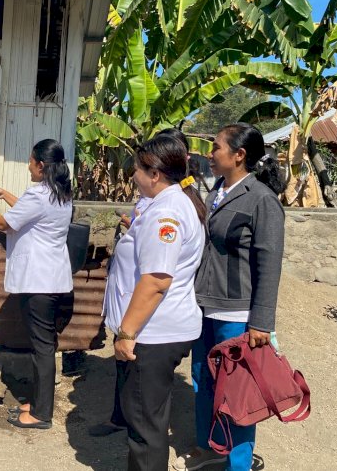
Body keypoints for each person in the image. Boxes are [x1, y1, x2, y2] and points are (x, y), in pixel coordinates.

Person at [173, 123, 286, 471]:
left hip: (237, 312)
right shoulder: (217, 190)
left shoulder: (261, 200)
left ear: (239, 155)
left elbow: (269, 264)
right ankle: (212, 447)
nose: (210, 153)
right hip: (205, 305)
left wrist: (261, 322)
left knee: (237, 390)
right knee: (202, 377)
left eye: (217, 147)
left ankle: (238, 462)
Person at [104, 134, 207, 470]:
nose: (132, 175)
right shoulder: (174, 204)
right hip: (161, 329)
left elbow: (156, 281)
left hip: (153, 332)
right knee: (150, 417)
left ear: (155, 174)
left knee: (145, 426)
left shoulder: (166, 214)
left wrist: (126, 333)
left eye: (137, 169)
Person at [0, 139, 74, 430]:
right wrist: (4, 194)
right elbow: (29, 213)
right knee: (42, 345)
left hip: (39, 281)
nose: (28, 165)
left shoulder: (39, 195)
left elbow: (4, 224)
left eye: (30, 161)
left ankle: (41, 414)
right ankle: (38, 403)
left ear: (40, 166)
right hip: (52, 279)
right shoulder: (60, 192)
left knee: (41, 347)